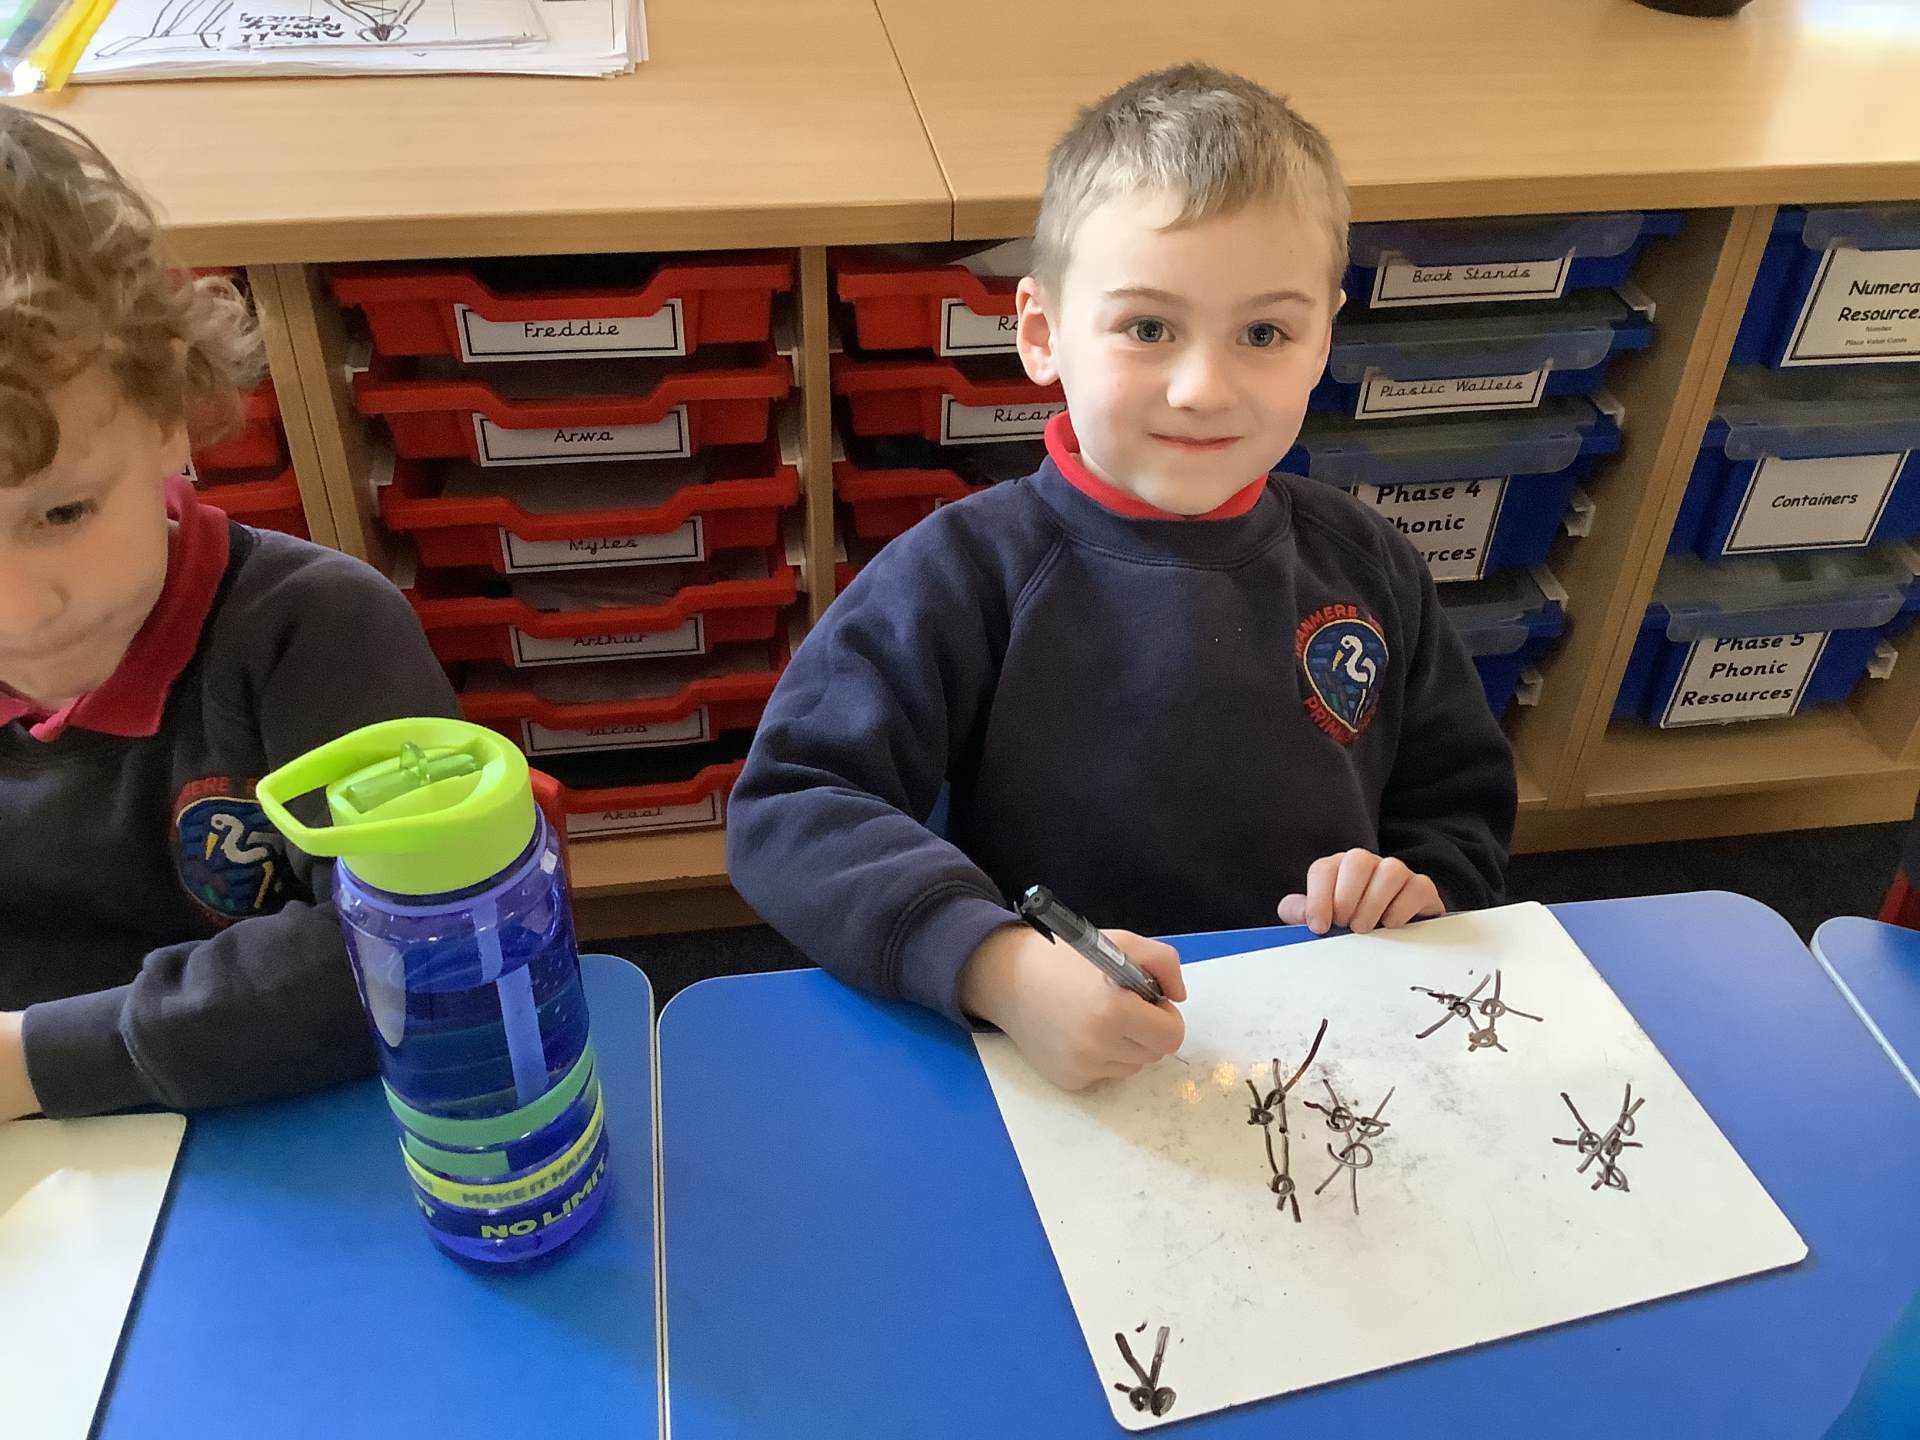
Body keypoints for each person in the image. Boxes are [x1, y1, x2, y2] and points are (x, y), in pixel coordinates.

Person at [727, 64, 1515, 1089]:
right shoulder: (962, 572)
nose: (1203, 388)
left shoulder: (1371, 563)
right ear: (1042, 333)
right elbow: (794, 802)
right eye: (1149, 328)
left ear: (1325, 334)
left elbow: (1457, 803)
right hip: (1043, 1056)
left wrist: (1420, 888)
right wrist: (994, 965)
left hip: (1323, 1041)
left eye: (1264, 333)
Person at [0, 110, 459, 1122]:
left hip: (300, 1131)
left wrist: (35, 1063)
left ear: (169, 412)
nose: (21, 613)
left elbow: (407, 950)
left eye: (62, 513)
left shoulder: (314, 633)